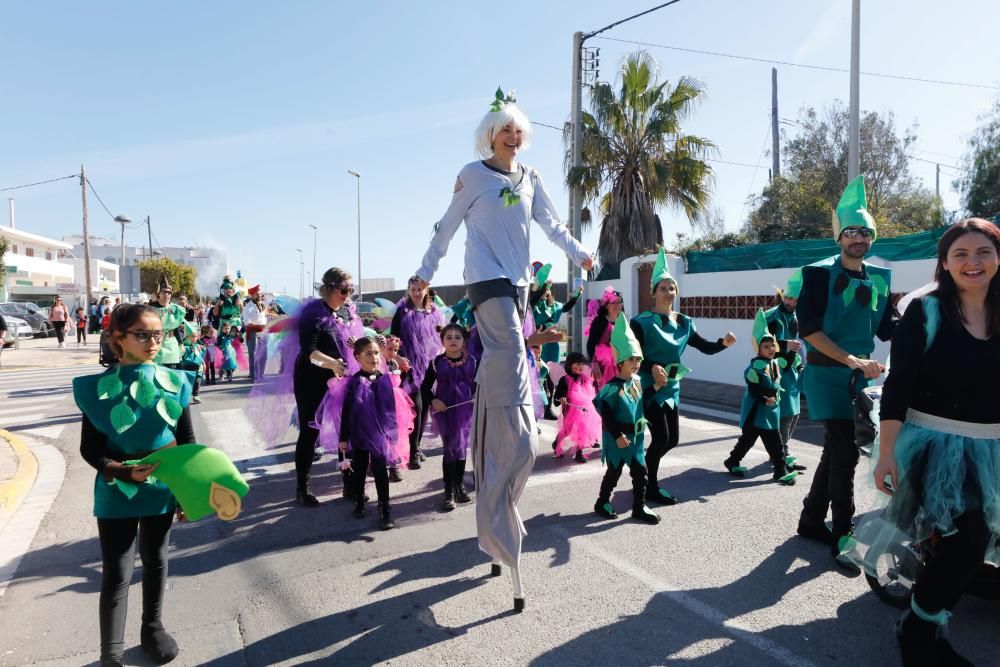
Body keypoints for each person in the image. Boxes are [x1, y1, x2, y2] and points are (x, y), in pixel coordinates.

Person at [413, 87, 593, 611]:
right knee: (513, 354)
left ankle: (501, 465)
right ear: (489, 135)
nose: (513, 137)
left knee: (512, 364)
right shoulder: (472, 175)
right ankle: (517, 439)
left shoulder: (531, 179)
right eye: (504, 130)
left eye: (519, 130)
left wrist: (579, 253)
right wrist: (423, 274)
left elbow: (553, 226)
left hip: (516, 285)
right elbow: (445, 228)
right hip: (483, 282)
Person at [848, 219, 1000, 666]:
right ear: (946, 263)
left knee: (976, 544)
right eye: (961, 255)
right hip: (935, 445)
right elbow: (900, 385)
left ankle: (924, 619)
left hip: (991, 446)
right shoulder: (926, 310)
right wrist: (888, 451)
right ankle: (919, 629)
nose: (973, 262)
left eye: (983, 252)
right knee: (968, 541)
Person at [73, 303, 196, 666]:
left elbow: (187, 441)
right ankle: (110, 653)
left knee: (157, 560)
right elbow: (89, 448)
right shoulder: (97, 388)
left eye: (158, 334)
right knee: (117, 570)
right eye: (142, 335)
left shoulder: (176, 382)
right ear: (117, 339)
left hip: (161, 487)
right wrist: (123, 471)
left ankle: (152, 627)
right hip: (115, 490)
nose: (153, 342)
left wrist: (187, 492)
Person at [794, 176, 896, 569]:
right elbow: (810, 331)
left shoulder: (882, 278)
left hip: (861, 377)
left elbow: (890, 327)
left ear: (872, 237)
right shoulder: (817, 274)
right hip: (825, 374)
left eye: (865, 232)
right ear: (839, 236)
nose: (858, 238)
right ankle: (842, 535)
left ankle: (810, 518)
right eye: (851, 232)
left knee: (836, 450)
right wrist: (850, 359)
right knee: (846, 451)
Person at [631, 248, 737, 506]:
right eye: (664, 287)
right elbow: (634, 358)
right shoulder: (640, 322)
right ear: (654, 292)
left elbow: (705, 347)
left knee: (672, 440)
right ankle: (648, 486)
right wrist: (653, 367)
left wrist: (723, 343)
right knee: (661, 439)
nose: (669, 292)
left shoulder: (685, 322)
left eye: (672, 288)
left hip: (672, 386)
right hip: (651, 387)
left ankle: (643, 468)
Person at [292, 267, 362, 506]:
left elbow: (353, 341)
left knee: (347, 429)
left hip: (342, 378)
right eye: (344, 289)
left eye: (351, 289)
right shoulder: (313, 312)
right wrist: (332, 363)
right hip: (311, 379)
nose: (348, 294)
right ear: (330, 288)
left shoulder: (347, 310)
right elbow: (308, 350)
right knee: (310, 432)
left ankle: (349, 483)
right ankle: (303, 488)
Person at [592, 316, 664, 524]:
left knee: (640, 473)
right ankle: (602, 501)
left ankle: (639, 507)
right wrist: (617, 435)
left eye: (638, 359)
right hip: (619, 437)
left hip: (636, 436)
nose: (636, 364)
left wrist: (657, 386)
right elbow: (606, 413)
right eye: (631, 360)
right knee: (614, 471)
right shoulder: (612, 387)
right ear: (620, 362)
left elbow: (643, 400)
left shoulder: (638, 381)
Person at [723, 309, 799, 485]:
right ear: (757, 348)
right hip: (757, 412)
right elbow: (754, 390)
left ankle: (732, 461)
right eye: (766, 346)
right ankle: (780, 471)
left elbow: (786, 365)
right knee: (770, 441)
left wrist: (793, 351)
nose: (771, 349)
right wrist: (765, 399)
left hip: (770, 411)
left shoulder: (774, 363)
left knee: (754, 441)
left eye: (772, 345)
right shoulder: (754, 368)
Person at [339, 335, 398, 530]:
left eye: (376, 353)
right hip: (359, 433)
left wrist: (392, 434)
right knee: (360, 468)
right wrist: (343, 438)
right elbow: (346, 411)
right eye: (368, 353)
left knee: (380, 470)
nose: (374, 357)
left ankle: (385, 508)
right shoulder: (353, 382)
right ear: (357, 357)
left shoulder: (384, 380)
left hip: (379, 434)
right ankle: (359, 501)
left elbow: (390, 409)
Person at [422, 323, 477, 511]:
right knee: (450, 449)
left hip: (465, 410)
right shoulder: (437, 362)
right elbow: (425, 387)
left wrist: (477, 395)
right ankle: (448, 490)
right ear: (442, 341)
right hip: (445, 411)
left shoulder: (473, 361)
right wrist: (434, 400)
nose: (453, 341)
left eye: (457, 337)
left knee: (461, 447)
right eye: (449, 337)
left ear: (464, 341)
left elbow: (479, 385)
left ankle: (459, 484)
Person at [391, 276, 444, 469]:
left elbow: (439, 335)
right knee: (417, 407)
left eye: (419, 289)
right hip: (409, 366)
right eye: (412, 289)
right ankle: (412, 452)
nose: (415, 292)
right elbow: (394, 337)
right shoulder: (402, 311)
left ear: (426, 289)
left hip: (429, 366)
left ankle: (417, 446)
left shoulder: (434, 311)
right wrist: (397, 358)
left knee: (425, 406)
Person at [764, 274, 808, 473]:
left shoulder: (798, 315)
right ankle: (780, 455)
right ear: (783, 296)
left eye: (796, 299)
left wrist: (800, 364)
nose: (792, 302)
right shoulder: (771, 316)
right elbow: (761, 341)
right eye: (789, 298)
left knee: (795, 413)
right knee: (784, 416)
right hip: (775, 370)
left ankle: (782, 451)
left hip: (792, 370)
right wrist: (784, 344)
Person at [551, 352, 601, 463]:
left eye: (582, 364)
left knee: (583, 429)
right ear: (569, 365)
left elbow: (589, 393)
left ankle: (579, 452)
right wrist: (562, 398)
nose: (580, 367)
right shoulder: (565, 380)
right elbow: (558, 395)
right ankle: (556, 443)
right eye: (577, 364)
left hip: (584, 410)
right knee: (567, 431)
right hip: (570, 409)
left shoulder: (584, 378)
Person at [529, 262, 582, 364]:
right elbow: (532, 303)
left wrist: (577, 295)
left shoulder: (553, 304)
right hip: (538, 342)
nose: (546, 290)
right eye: (544, 288)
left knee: (553, 370)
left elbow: (565, 308)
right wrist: (542, 288)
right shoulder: (533, 303)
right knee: (538, 369)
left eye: (547, 289)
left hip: (552, 343)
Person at [586, 286, 625, 390]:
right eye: (614, 302)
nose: (618, 305)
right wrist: (593, 364)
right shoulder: (599, 321)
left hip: (620, 364)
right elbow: (590, 344)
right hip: (603, 366)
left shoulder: (623, 322)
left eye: (620, 302)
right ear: (607, 305)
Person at [150, 276, 187, 368]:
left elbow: (176, 328)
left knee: (171, 373)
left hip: (171, 344)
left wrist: (181, 342)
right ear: (159, 293)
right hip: (155, 343)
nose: (167, 294)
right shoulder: (150, 308)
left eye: (169, 292)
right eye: (164, 292)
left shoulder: (176, 309)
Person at [242, 287, 268, 382]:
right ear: (252, 295)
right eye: (257, 294)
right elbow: (247, 323)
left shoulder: (262, 305)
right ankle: (253, 374)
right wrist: (260, 325)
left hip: (263, 332)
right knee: (253, 353)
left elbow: (264, 317)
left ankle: (261, 373)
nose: (259, 296)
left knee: (264, 353)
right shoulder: (248, 307)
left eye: (260, 294)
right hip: (252, 332)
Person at [179, 321, 205, 404]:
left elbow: (199, 356)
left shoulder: (197, 346)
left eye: (196, 337)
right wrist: (185, 348)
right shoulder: (184, 347)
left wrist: (203, 363)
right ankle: (184, 396)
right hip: (188, 368)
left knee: (197, 382)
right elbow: (181, 354)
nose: (194, 339)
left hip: (198, 367)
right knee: (187, 383)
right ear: (187, 337)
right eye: (192, 337)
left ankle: (196, 395)